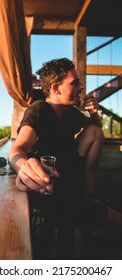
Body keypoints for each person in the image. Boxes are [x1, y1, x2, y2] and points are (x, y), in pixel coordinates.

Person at [8, 58, 122, 240]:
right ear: (56, 88)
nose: (81, 87)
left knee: (94, 131)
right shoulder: (39, 111)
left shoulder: (71, 115)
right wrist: (24, 167)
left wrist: (93, 112)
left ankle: (89, 191)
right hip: (54, 189)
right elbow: (17, 149)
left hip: (71, 177)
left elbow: (94, 127)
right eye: (75, 83)